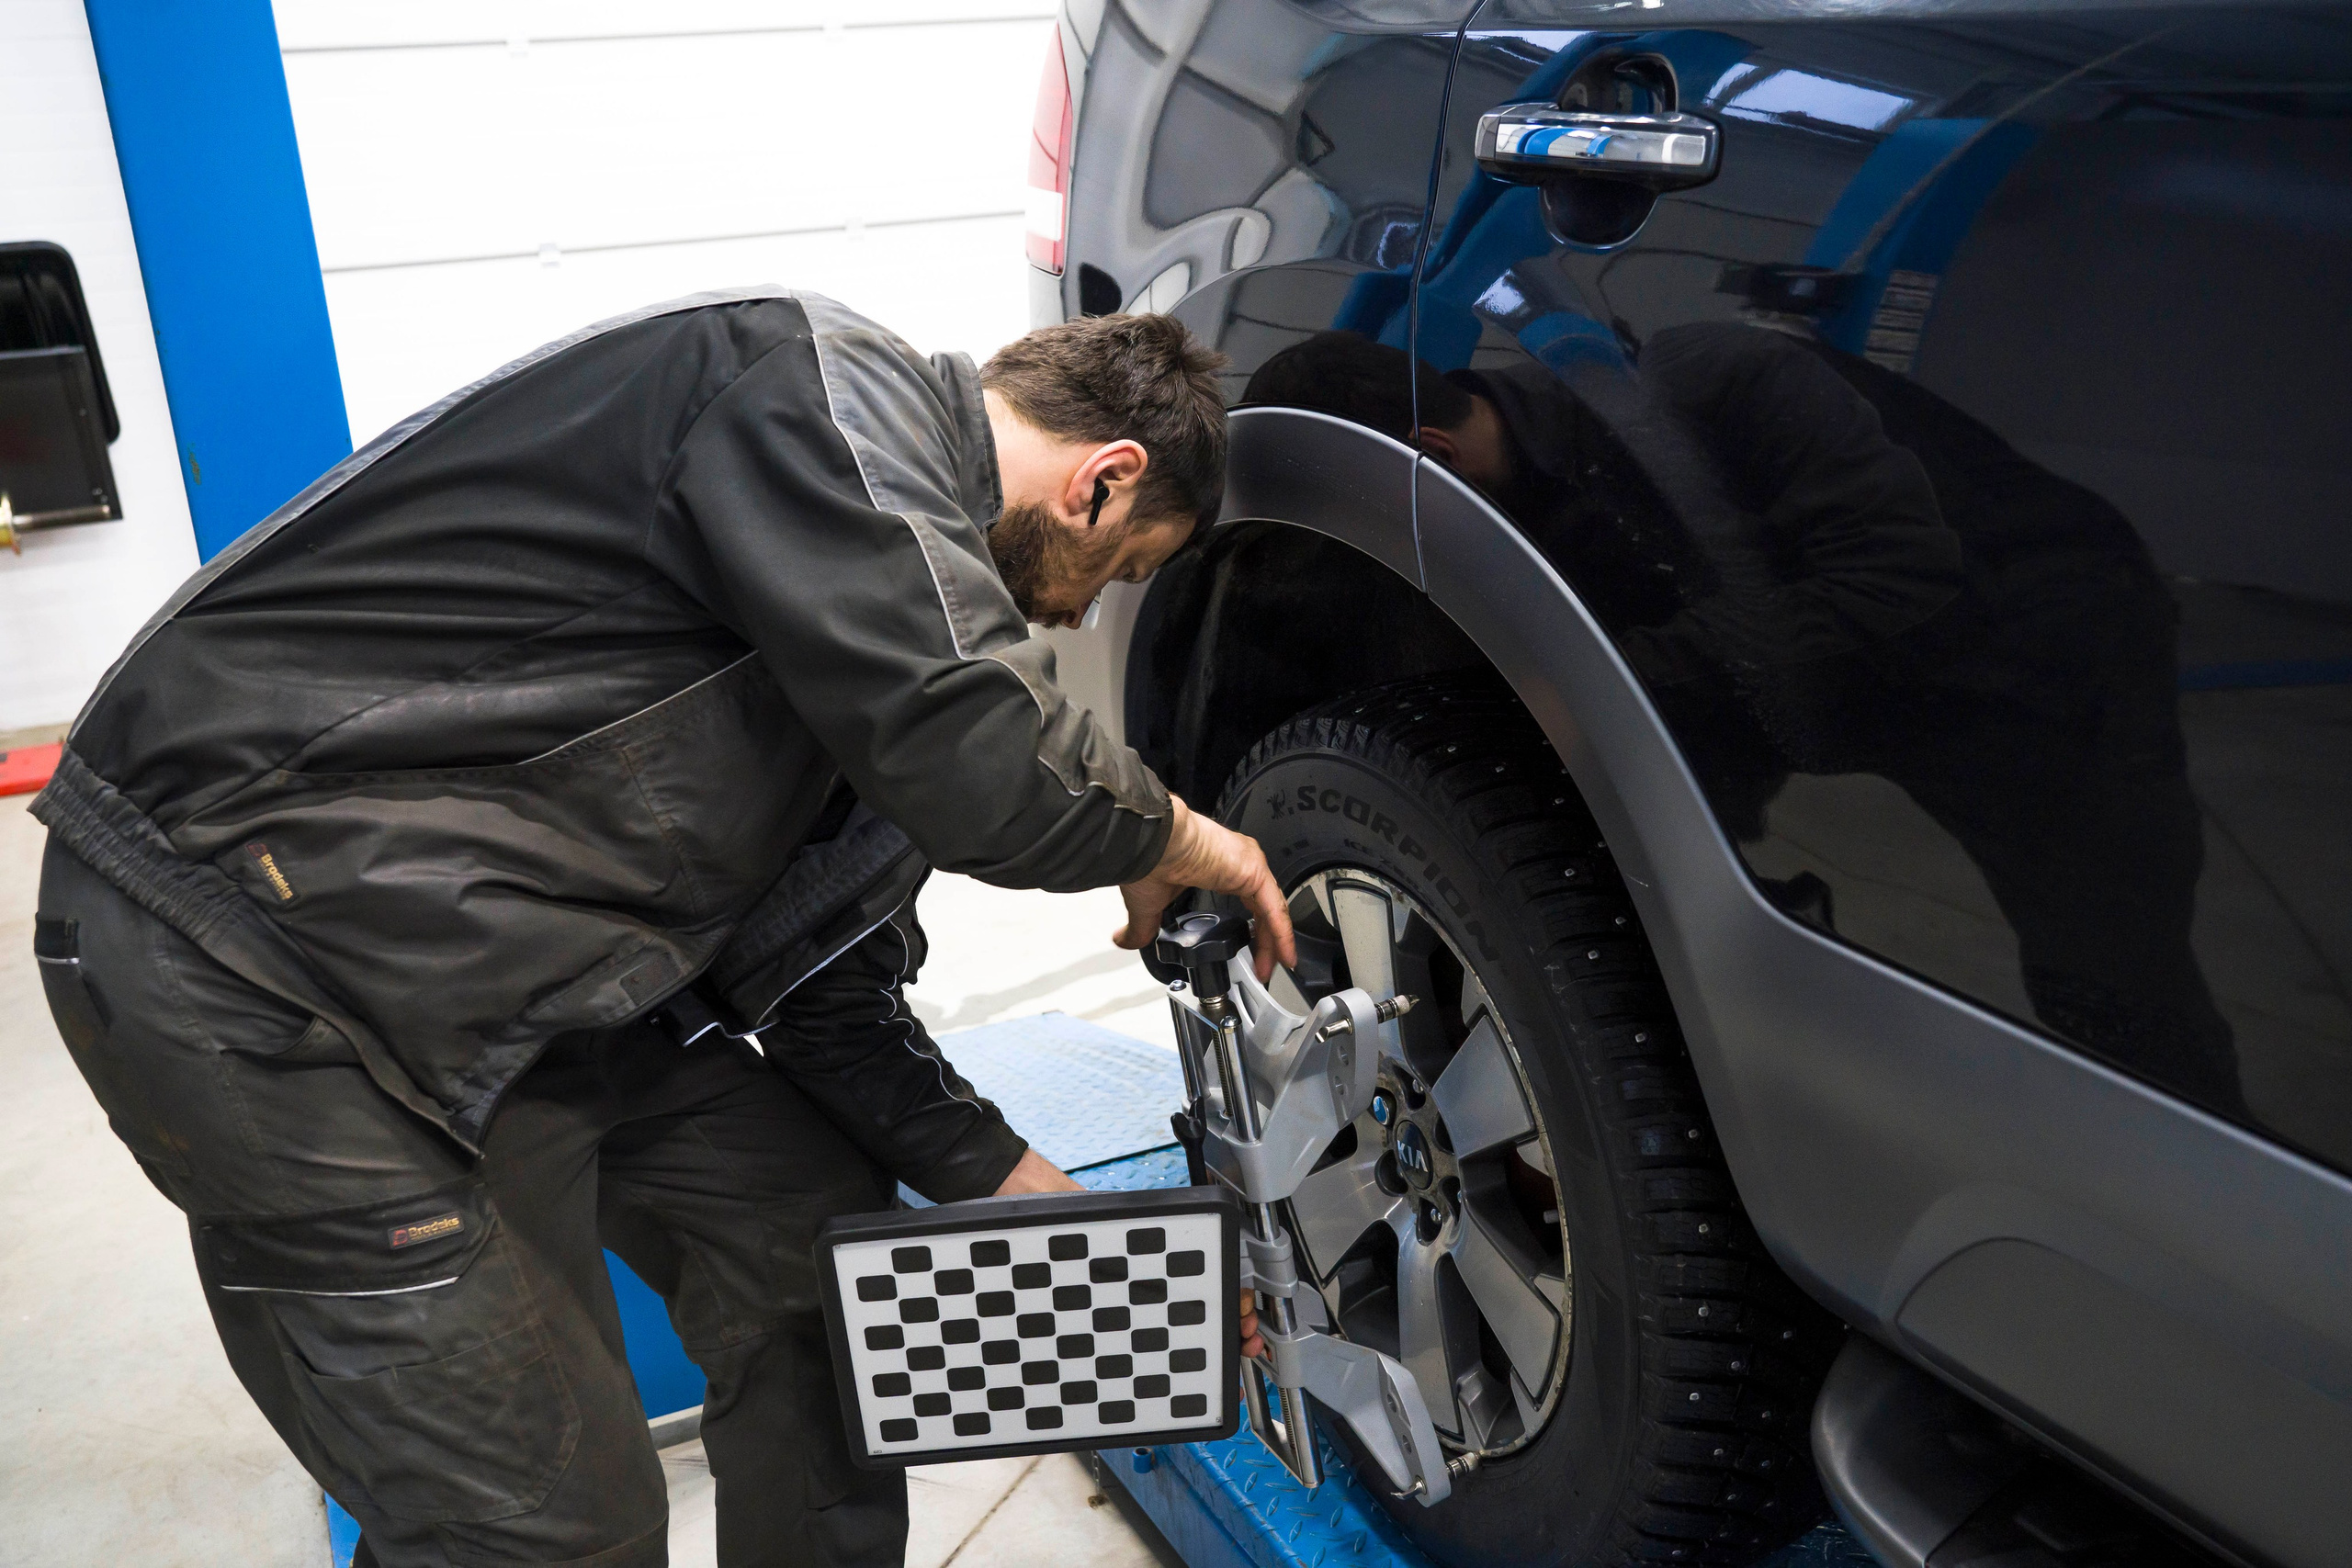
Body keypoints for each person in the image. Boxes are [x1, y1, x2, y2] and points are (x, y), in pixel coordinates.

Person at [30, 292, 1293, 1568]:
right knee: (549, 1532)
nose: (1076, 621)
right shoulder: (809, 387)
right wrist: (1184, 837)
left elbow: (822, 993)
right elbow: (986, 767)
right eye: (1120, 571)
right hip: (269, 966)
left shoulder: (861, 623)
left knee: (823, 1286)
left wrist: (1099, 1264)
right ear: (1102, 481)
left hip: (526, 980)